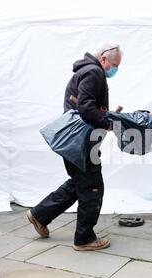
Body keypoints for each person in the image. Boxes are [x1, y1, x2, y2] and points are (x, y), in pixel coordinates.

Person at [25, 44, 122, 251]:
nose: (114, 70)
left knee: (79, 183)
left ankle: (40, 214)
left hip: (77, 141)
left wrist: (104, 116)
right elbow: (86, 107)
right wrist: (106, 124)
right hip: (81, 141)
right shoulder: (94, 72)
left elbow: (87, 106)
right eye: (114, 65)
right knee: (92, 187)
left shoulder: (87, 70)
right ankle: (84, 239)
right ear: (104, 58)